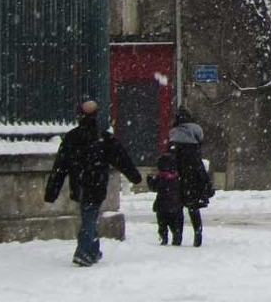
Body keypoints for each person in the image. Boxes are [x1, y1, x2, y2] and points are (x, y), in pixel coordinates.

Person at [45, 98, 142, 266]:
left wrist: (52, 190)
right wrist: (135, 176)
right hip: (96, 184)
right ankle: (84, 252)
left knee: (88, 215)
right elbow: (122, 159)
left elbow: (60, 166)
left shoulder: (72, 137)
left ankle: (93, 249)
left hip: (79, 183)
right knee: (89, 217)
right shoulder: (103, 138)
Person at [168, 106, 214, 247]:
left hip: (177, 176)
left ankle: (177, 236)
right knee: (193, 208)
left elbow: (168, 158)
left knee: (178, 208)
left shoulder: (174, 136)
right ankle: (198, 233)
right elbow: (199, 164)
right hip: (192, 176)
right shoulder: (195, 136)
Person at [149, 151, 185, 246]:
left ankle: (164, 237)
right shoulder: (178, 178)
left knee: (162, 224)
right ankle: (177, 237)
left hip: (162, 206)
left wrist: (149, 179)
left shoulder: (160, 178)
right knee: (176, 224)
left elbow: (153, 187)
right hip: (176, 206)